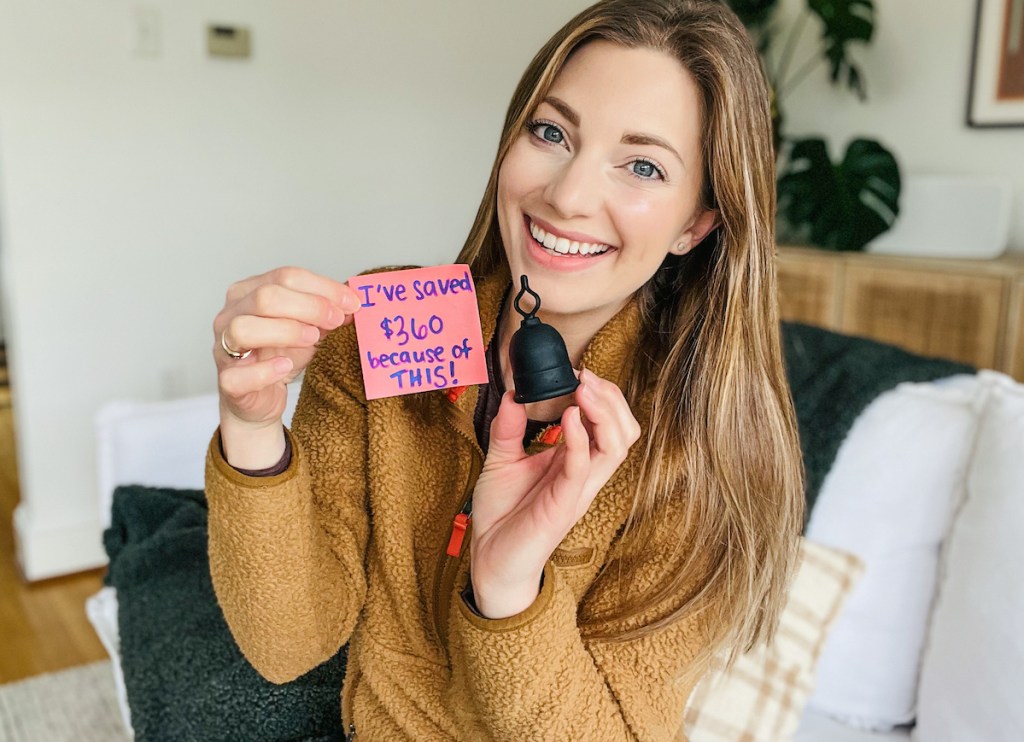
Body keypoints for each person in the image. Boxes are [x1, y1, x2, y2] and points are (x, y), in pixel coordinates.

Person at [207, 0, 804, 739]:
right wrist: (252, 429)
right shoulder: (377, 334)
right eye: (551, 132)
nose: (567, 195)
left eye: (643, 165)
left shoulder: (699, 450)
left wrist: (509, 586)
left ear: (695, 224)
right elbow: (287, 644)